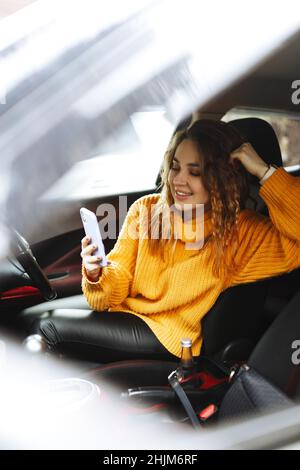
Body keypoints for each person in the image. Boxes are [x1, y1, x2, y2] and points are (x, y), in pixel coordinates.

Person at [38, 120, 300, 362]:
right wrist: (97, 273)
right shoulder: (147, 209)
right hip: (128, 313)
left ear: (221, 179)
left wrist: (265, 173)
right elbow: (111, 289)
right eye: (175, 167)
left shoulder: (240, 232)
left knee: (45, 327)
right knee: (33, 315)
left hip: (171, 335)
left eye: (195, 172)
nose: (179, 180)